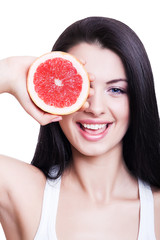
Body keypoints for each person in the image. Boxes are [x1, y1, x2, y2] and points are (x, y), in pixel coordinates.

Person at [0, 16, 160, 240]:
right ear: (54, 96)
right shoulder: (25, 194)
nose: (95, 109)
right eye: (82, 87)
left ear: (138, 99)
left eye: (116, 90)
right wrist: (7, 72)